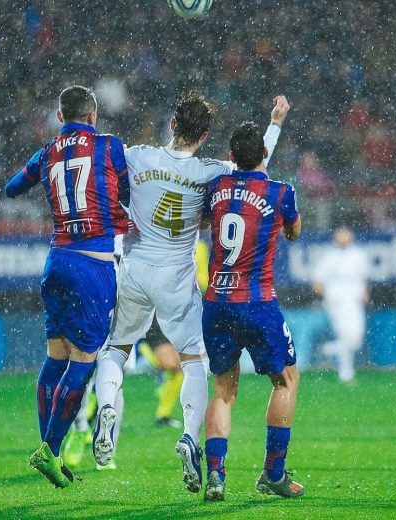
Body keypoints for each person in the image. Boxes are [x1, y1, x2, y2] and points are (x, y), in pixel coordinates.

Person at [93, 91, 290, 493]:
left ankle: (108, 409)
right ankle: (188, 437)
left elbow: (103, 164)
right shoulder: (210, 171)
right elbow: (254, 165)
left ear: (172, 125)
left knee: (115, 349)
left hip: (136, 267)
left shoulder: (138, 156)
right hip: (177, 276)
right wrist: (275, 123)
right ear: (204, 135)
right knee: (194, 360)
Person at [4, 85, 130, 488]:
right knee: (85, 360)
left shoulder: (47, 152)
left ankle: (50, 450)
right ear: (93, 116)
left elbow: (11, 188)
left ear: (60, 117)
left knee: (55, 355)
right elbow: (126, 194)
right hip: (93, 266)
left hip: (55, 261)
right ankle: (51, 449)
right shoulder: (110, 147)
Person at [201, 121, 304, 501]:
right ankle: (273, 474)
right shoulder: (280, 192)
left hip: (215, 304)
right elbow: (294, 232)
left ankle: (216, 475)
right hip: (257, 303)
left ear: (230, 158)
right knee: (286, 381)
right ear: (264, 155)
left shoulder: (216, 188)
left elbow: (207, 220)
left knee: (224, 390)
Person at [312, 227, 369, 383]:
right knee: (345, 335)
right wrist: (328, 296)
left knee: (356, 338)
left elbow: (362, 277)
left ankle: (328, 350)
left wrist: (364, 292)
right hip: (337, 301)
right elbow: (317, 281)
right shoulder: (329, 256)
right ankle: (346, 373)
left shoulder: (358, 255)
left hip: (354, 300)